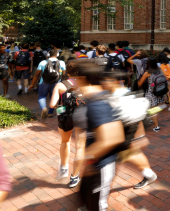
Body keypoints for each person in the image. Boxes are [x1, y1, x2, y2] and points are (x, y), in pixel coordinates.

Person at [75, 61, 125, 211]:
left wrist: (89, 158)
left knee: (97, 205)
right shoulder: (99, 98)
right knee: (87, 199)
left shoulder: (97, 103)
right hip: (97, 164)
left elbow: (114, 137)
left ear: (81, 79)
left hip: (101, 165)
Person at [48, 60, 87, 188]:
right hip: (82, 116)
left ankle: (64, 168)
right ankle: (74, 177)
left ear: (67, 72)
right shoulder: (87, 83)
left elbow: (52, 105)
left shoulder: (61, 85)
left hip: (66, 116)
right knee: (80, 147)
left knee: (65, 141)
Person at [29, 49, 66, 119]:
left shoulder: (43, 62)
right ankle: (50, 113)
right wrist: (62, 81)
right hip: (56, 83)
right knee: (54, 97)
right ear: (57, 55)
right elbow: (64, 74)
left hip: (44, 83)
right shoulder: (62, 63)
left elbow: (37, 74)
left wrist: (32, 84)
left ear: (48, 55)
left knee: (42, 97)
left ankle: (43, 108)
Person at [137, 57, 167, 132]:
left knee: (153, 109)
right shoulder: (160, 69)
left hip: (151, 93)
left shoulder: (147, 72)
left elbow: (139, 83)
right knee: (152, 107)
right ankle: (150, 119)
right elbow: (164, 79)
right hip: (160, 90)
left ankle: (157, 127)